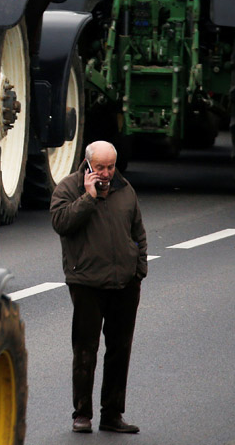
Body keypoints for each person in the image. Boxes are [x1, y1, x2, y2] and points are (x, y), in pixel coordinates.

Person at [50, 141, 147, 434]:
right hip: (87, 283)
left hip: (124, 283)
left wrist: (138, 269)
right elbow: (60, 223)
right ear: (88, 163)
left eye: (110, 166)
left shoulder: (125, 190)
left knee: (120, 350)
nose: (105, 173)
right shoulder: (68, 188)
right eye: (100, 167)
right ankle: (82, 415)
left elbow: (138, 232)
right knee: (85, 350)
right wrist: (89, 198)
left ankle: (112, 415)